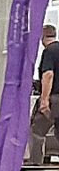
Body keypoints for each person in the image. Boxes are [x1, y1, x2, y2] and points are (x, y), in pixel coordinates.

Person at [32, 24, 58, 163]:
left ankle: (34, 167)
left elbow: (48, 75)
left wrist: (44, 100)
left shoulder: (49, 51)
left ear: (42, 37)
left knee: (36, 132)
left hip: (54, 99)